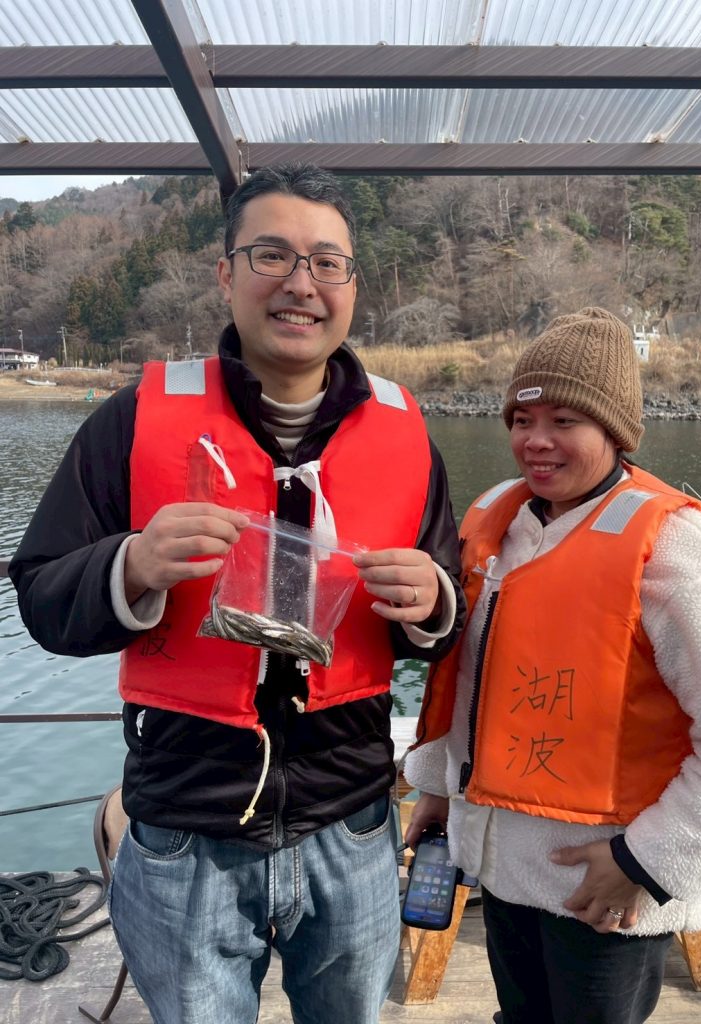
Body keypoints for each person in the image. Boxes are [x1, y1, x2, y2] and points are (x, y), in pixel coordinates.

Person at [9, 162, 465, 1024]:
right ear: (225, 273)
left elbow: (448, 621)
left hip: (353, 823)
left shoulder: (407, 436)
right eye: (272, 255)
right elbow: (39, 596)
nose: (302, 283)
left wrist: (434, 599)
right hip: (185, 831)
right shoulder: (133, 421)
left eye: (327, 262)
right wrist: (133, 564)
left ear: (353, 286)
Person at [403, 307, 701, 1024]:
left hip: (609, 895)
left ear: (616, 431)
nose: (535, 441)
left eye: (564, 421)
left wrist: (646, 864)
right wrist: (439, 790)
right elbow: (473, 687)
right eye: (521, 419)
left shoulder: (685, 550)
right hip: (503, 872)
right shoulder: (497, 525)